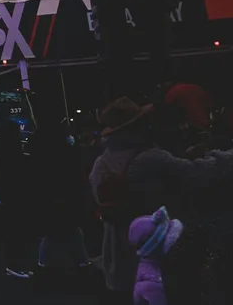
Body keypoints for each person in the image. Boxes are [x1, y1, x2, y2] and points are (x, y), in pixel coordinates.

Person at [90, 96, 233, 304]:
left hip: (118, 255)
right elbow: (200, 174)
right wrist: (222, 156)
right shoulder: (150, 159)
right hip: (156, 255)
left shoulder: (101, 164)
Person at [30, 119, 90, 271]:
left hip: (51, 197)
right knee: (69, 230)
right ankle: (81, 261)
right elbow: (69, 176)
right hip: (63, 196)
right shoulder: (65, 152)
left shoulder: (41, 152)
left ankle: (43, 262)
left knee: (54, 232)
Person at [0, 118, 34, 278]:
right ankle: (15, 265)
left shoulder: (1, 152)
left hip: (8, 196)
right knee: (16, 231)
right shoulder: (15, 153)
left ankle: (14, 265)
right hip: (16, 196)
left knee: (13, 231)